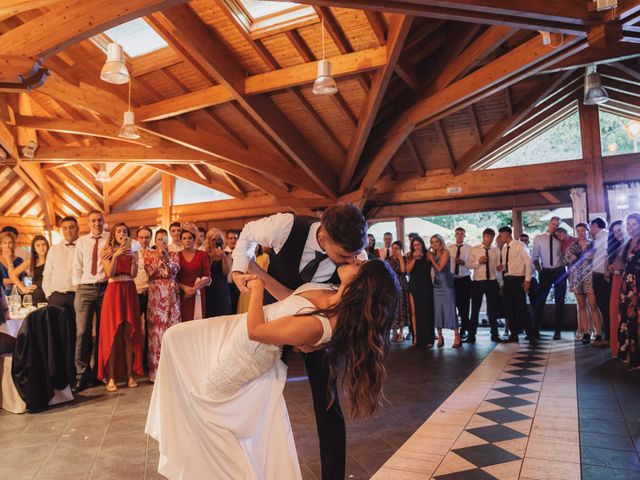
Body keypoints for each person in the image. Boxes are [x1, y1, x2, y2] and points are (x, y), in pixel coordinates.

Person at [146, 259, 400, 480]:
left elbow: (257, 331)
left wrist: (256, 290)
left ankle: (222, 471)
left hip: (247, 346)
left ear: (360, 283)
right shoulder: (332, 291)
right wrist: (260, 274)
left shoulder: (320, 324)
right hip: (237, 326)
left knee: (206, 406)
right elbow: (290, 302)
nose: (355, 259)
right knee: (175, 336)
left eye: (359, 265)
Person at [230, 206, 368, 480]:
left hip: (319, 326)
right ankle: (256, 468)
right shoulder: (286, 226)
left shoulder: (356, 255)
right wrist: (238, 269)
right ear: (323, 238)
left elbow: (353, 308)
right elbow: (247, 233)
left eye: (354, 254)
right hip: (273, 316)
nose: (351, 260)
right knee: (260, 392)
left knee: (328, 401)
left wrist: (322, 339)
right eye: (343, 255)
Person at [98, 223, 143, 392]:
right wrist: (116, 256)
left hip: (129, 290)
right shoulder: (107, 250)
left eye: (125, 231)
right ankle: (111, 377)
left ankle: (130, 374)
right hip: (114, 290)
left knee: (129, 333)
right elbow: (109, 272)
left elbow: (133, 274)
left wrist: (135, 259)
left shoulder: (133, 250)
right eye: (119, 231)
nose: (122, 233)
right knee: (113, 334)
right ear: (113, 234)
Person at [72, 210, 110, 392]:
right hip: (85, 289)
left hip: (105, 288)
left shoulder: (110, 239)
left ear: (104, 222)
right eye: (93, 220)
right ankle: (82, 374)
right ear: (88, 223)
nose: (97, 223)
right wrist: (78, 285)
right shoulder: (81, 242)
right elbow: (77, 266)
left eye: (100, 220)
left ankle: (99, 373)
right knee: (82, 331)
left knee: (103, 332)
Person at [144, 229, 181, 382]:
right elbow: (151, 271)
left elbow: (175, 270)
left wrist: (166, 259)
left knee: (173, 329)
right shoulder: (148, 254)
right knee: (157, 333)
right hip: (156, 294)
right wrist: (159, 257)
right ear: (155, 241)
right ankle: (156, 372)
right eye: (159, 240)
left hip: (172, 295)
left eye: (165, 240)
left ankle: (174, 372)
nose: (162, 243)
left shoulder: (174, 254)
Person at [565, 223, 603, 346]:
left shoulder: (594, 244)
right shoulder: (573, 245)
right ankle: (586, 333)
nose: (581, 232)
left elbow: (597, 257)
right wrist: (574, 257)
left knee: (593, 306)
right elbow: (568, 258)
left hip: (590, 277)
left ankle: (598, 334)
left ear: (587, 231)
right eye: (578, 230)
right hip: (576, 277)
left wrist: (578, 257)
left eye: (583, 230)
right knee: (581, 306)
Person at [532, 217, 567, 340]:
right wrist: (540, 271)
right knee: (540, 301)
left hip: (560, 271)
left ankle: (558, 331)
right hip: (545, 271)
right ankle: (535, 329)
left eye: (557, 225)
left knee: (560, 301)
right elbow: (534, 257)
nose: (555, 227)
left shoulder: (562, 239)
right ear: (549, 223)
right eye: (553, 224)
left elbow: (568, 252)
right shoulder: (539, 238)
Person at [497, 226, 533, 344]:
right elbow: (506, 265)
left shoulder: (520, 245)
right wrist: (501, 268)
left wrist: (527, 280)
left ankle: (531, 335)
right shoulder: (504, 249)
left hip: (519, 279)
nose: (500, 237)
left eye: (501, 234)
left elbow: (528, 263)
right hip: (508, 279)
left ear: (506, 234)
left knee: (521, 308)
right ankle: (513, 335)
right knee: (509, 308)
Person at [467, 228, 502, 343]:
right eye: (487, 237)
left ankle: (495, 335)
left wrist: (501, 282)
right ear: (483, 237)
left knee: (493, 310)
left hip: (492, 282)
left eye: (491, 237)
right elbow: (468, 265)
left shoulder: (496, 250)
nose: (489, 239)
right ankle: (471, 335)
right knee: (475, 309)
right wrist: (478, 262)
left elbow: (498, 268)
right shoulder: (474, 249)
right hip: (478, 282)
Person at [43, 216, 79, 321]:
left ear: (77, 228)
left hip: (77, 295)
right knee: (57, 330)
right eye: (65, 228)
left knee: (79, 330)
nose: (68, 231)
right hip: (56, 296)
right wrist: (49, 294)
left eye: (71, 227)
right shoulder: (54, 249)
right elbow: (47, 273)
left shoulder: (84, 247)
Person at [617, 212, 640, 368]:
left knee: (636, 319)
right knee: (625, 319)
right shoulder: (627, 243)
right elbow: (623, 264)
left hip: (638, 286)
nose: (630, 227)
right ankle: (628, 355)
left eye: (634, 224)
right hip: (626, 286)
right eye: (628, 224)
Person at [430, 234, 459, 348]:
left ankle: (457, 336)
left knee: (450, 310)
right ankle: (440, 336)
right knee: (438, 311)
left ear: (441, 242)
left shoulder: (445, 252)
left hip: (447, 285)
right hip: (436, 286)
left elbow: (440, 268)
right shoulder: (432, 254)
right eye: (432, 242)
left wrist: (431, 259)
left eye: (436, 241)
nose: (434, 244)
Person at [177, 223, 211, 321]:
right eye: (184, 238)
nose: (187, 240)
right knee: (183, 320)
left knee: (197, 321)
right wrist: (184, 288)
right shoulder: (176, 256)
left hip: (198, 291)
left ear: (194, 239)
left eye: (190, 238)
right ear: (180, 241)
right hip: (182, 293)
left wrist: (193, 290)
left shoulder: (202, 255)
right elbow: (174, 277)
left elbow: (207, 276)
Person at [406, 236, 434, 347]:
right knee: (415, 312)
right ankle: (416, 337)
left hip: (426, 285)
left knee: (427, 312)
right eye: (414, 245)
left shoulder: (428, 254)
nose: (417, 247)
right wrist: (414, 259)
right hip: (414, 285)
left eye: (418, 244)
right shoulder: (410, 256)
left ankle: (429, 338)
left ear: (422, 244)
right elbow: (407, 270)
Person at [9, 234, 49, 305]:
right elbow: (13, 275)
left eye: (43, 244)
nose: (41, 248)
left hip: (50, 294)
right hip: (36, 295)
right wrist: (23, 288)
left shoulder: (53, 260)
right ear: (34, 248)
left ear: (47, 246)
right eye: (38, 245)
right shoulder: (31, 261)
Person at [449, 227, 472, 339]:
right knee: (456, 305)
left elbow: (473, 264)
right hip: (454, 279)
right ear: (455, 235)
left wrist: (464, 263)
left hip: (465, 278)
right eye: (457, 234)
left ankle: (464, 329)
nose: (459, 236)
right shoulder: (450, 248)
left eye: (461, 234)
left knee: (465, 307)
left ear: (464, 235)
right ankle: (458, 330)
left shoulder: (469, 249)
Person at [590, 217, 611, 341]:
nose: (590, 230)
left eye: (591, 227)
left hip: (602, 276)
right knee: (603, 307)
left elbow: (606, 253)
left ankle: (609, 336)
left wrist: (606, 273)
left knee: (605, 307)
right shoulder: (599, 237)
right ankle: (608, 334)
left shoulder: (604, 235)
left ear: (595, 225)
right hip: (598, 275)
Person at [205, 228, 232, 317]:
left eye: (219, 239)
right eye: (213, 239)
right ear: (208, 241)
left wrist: (223, 257)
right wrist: (212, 258)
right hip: (208, 288)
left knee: (223, 315)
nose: (216, 241)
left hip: (222, 289)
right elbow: (205, 271)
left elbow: (225, 272)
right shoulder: (204, 254)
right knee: (209, 315)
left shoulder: (227, 254)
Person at [607, 220, 625, 356]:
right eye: (615, 230)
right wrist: (611, 267)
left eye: (620, 229)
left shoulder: (632, 245)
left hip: (627, 281)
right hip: (616, 280)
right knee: (614, 312)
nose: (618, 232)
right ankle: (617, 348)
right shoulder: (616, 246)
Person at [387, 240, 410, 342]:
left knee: (401, 308)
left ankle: (401, 332)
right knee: (393, 309)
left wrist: (400, 258)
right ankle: (394, 332)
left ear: (400, 249)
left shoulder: (404, 259)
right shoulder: (388, 260)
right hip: (392, 285)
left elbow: (403, 271)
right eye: (393, 248)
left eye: (397, 248)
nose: (394, 250)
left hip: (402, 285)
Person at [135, 227, 151, 372]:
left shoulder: (154, 253)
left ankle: (146, 362)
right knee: (135, 329)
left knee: (149, 328)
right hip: (135, 293)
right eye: (141, 237)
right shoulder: (134, 253)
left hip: (151, 293)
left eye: (147, 237)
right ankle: (136, 361)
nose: (144, 240)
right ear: (137, 238)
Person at [237, 245, 270, 314]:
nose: (255, 246)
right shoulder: (245, 258)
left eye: (256, 244)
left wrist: (249, 276)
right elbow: (240, 275)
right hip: (246, 288)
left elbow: (264, 275)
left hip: (258, 288)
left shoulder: (265, 257)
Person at [0, 231, 25, 295]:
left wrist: (9, 261)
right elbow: (18, 281)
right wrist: (16, 281)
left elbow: (20, 280)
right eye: (4, 243)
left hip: (15, 294)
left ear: (14, 245)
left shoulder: (19, 260)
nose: (7, 245)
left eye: (10, 243)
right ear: (1, 245)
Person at [226, 230, 241, 312]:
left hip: (238, 284)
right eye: (230, 238)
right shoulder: (223, 253)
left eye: (235, 238)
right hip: (225, 285)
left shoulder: (241, 253)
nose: (233, 241)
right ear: (226, 240)